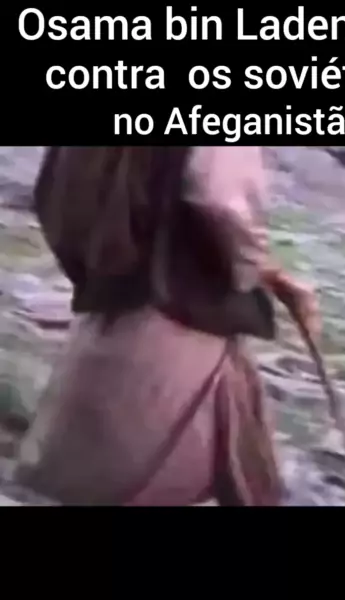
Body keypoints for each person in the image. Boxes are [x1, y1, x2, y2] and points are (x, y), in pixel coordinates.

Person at [13, 146, 320, 506]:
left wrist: (269, 275)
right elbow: (220, 199)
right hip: (181, 325)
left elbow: (56, 189)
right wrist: (250, 264)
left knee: (67, 469)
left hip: (108, 310)